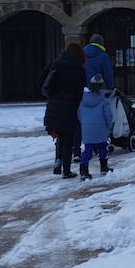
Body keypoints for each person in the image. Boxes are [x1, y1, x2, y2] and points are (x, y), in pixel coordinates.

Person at [42, 42, 87, 179]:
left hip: (53, 106)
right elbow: (80, 92)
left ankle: (57, 161)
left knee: (60, 137)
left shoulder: (55, 64)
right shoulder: (79, 69)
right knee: (68, 139)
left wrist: (52, 95)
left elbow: (41, 82)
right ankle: (66, 171)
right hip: (69, 107)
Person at [77, 74, 114, 179]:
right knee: (103, 147)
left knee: (88, 150)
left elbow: (79, 114)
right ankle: (103, 167)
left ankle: (84, 170)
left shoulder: (83, 100)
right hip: (101, 130)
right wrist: (109, 126)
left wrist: (84, 124)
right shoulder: (104, 101)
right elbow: (108, 116)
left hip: (87, 130)